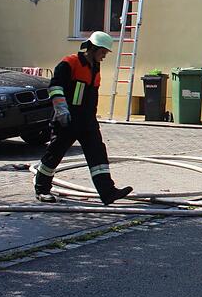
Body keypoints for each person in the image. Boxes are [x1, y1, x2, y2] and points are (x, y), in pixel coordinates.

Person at [35, 32, 133, 204]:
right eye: (102, 52)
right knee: (54, 154)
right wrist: (61, 110)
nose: (104, 57)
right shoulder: (69, 63)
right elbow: (55, 87)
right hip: (67, 120)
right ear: (93, 49)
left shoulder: (94, 66)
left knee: (98, 154)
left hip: (87, 121)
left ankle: (108, 192)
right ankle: (42, 189)